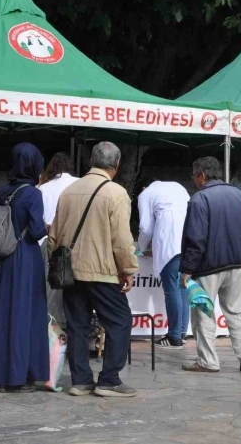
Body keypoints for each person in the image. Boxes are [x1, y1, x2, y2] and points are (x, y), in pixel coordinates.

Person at [49, 141, 139, 398]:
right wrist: (128, 269)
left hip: (71, 271)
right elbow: (122, 239)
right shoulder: (116, 193)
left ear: (91, 161)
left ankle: (81, 381)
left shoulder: (69, 191)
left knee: (76, 325)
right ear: (117, 164)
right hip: (102, 271)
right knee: (120, 321)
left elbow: (53, 237)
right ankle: (109, 379)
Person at [0, 143, 49, 393]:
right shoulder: (32, 193)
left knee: (3, 314)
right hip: (25, 258)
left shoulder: (3, 190)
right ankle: (18, 376)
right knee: (24, 315)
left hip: (4, 260)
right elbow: (37, 230)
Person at [180, 156, 241, 373]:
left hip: (208, 267)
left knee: (204, 313)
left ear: (202, 175)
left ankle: (208, 361)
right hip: (237, 265)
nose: (194, 180)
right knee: (236, 310)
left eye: (194, 176)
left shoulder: (199, 199)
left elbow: (196, 239)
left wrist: (187, 269)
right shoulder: (238, 196)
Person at [137, 176, 190, 349]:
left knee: (171, 290)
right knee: (182, 287)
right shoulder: (178, 186)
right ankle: (181, 333)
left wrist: (142, 248)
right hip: (188, 243)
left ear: (144, 187)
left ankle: (174, 336)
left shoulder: (145, 195)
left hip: (169, 243)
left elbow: (145, 228)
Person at [38, 152, 79, 328]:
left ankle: (47, 324)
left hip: (45, 243)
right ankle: (64, 324)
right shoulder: (79, 185)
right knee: (69, 288)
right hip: (71, 244)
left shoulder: (42, 188)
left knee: (47, 287)